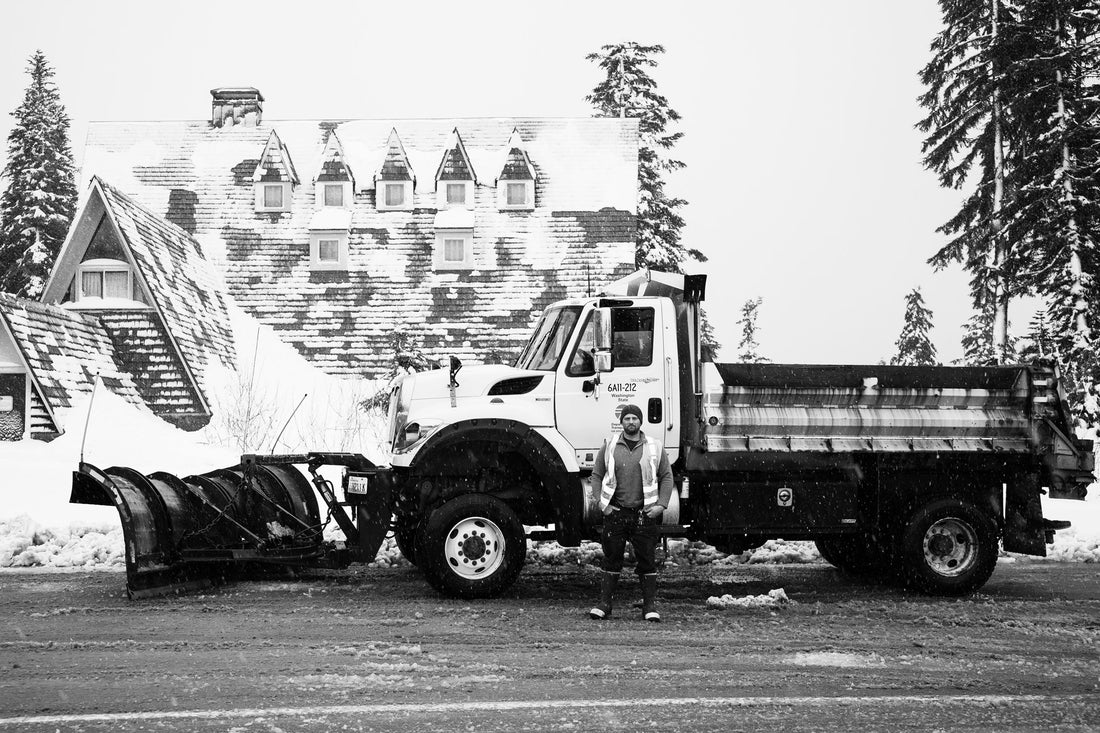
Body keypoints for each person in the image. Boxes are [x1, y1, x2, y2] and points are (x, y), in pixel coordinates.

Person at [588, 403, 673, 622]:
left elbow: (666, 476)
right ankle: (604, 605)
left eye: (635, 418)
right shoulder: (609, 445)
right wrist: (601, 504)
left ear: (640, 421)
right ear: (621, 422)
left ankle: (649, 607)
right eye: (627, 419)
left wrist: (661, 505)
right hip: (616, 513)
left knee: (647, 560)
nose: (631, 422)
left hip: (644, 515)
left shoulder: (654, 446)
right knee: (611, 559)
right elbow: (596, 475)